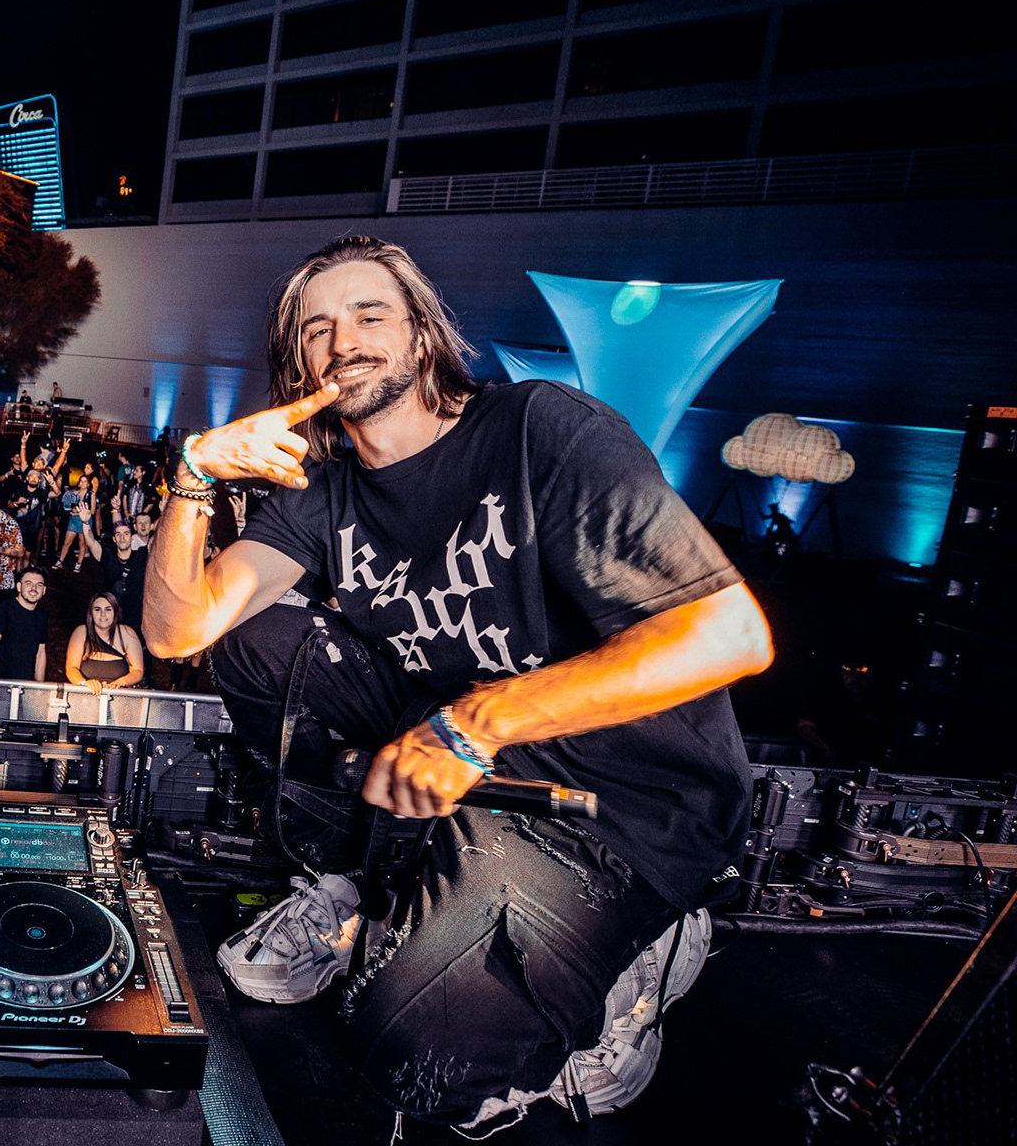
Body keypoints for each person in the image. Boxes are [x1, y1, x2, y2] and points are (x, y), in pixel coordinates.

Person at [141, 235, 773, 1130]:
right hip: (455, 748)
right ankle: (351, 883)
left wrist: (479, 721)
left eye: (369, 315)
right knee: (258, 642)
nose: (343, 340)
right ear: (298, 364)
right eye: (316, 329)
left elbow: (729, 635)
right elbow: (178, 630)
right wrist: (195, 473)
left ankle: (643, 954)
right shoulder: (326, 491)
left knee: (414, 1059)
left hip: (621, 800)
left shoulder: (542, 428)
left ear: (422, 334)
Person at [64, 592, 145, 693]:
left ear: (115, 611)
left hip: (119, 696)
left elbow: (138, 671)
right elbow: (71, 668)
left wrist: (120, 683)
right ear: (91, 613)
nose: (103, 614)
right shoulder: (81, 632)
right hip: (85, 695)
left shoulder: (127, 633)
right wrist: (85, 684)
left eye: (108, 609)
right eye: (97, 609)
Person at [0, 568, 47, 686]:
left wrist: (40, 688)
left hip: (26, 686)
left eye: (39, 585)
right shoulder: (4, 609)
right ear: (19, 587)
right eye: (28, 583)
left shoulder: (42, 617)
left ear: (44, 590)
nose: (34, 589)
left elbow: (40, 654)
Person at [82, 517, 147, 632]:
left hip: (137, 621)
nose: (122, 538)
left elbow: (159, 542)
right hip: (113, 619)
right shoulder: (108, 556)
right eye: (118, 534)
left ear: (132, 537)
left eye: (126, 534)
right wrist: (85, 522)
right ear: (114, 539)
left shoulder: (141, 555)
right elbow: (91, 542)